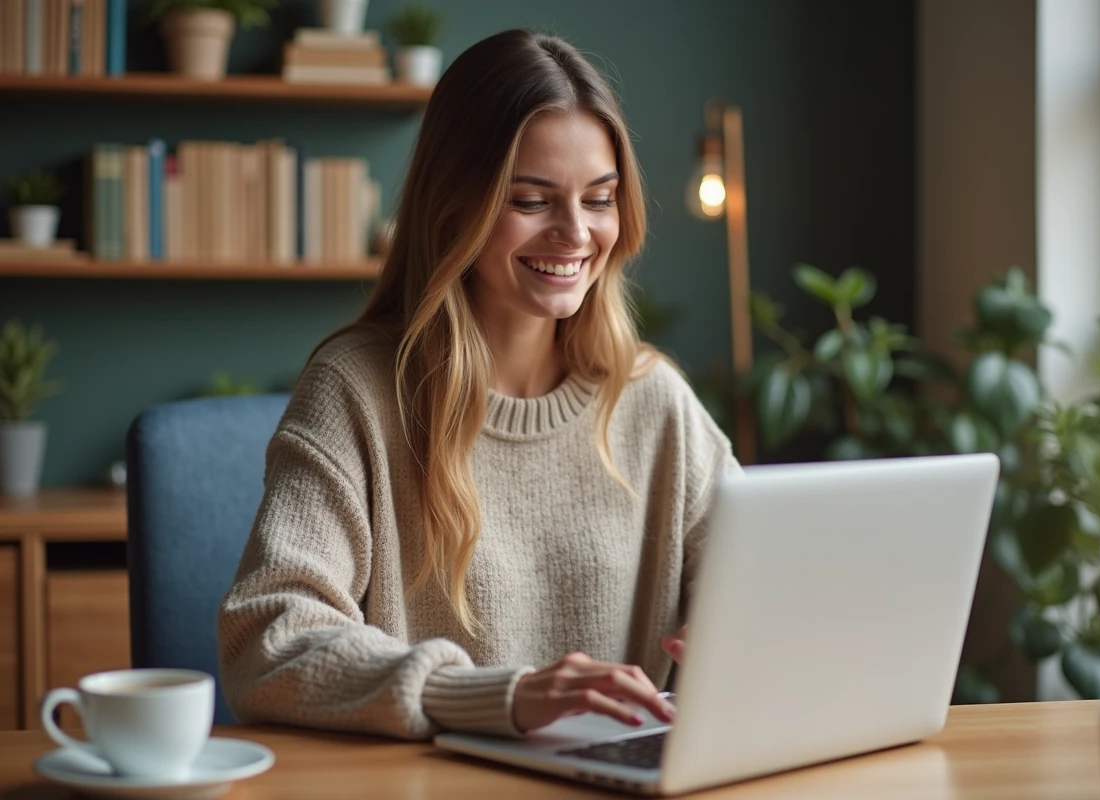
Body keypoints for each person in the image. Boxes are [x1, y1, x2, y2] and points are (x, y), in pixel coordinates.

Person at [217, 28, 738, 740]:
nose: (576, 233)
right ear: (453, 206)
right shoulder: (357, 390)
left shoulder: (654, 402)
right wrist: (499, 697)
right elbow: (269, 641)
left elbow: (759, 576)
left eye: (600, 199)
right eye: (531, 200)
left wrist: (737, 626)